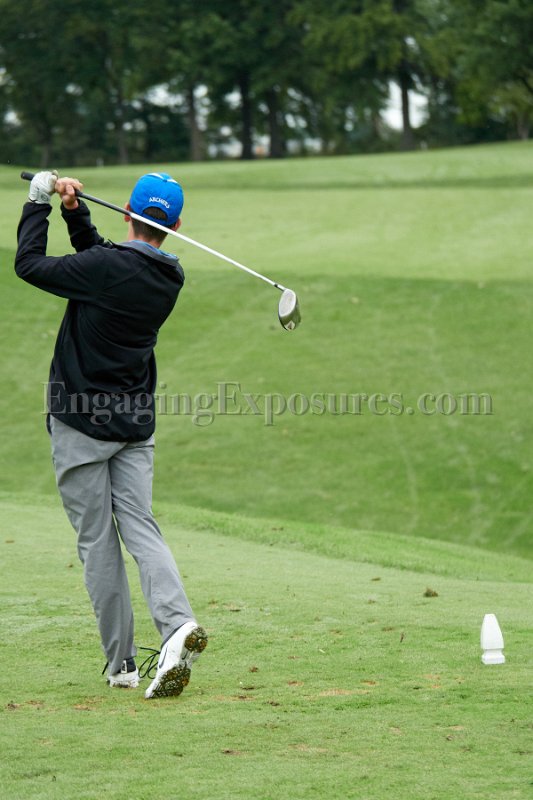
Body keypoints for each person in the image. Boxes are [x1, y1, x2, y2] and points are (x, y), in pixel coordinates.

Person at [15, 170, 207, 699]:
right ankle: (178, 625)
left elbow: (29, 264)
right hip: (134, 425)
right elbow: (105, 262)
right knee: (141, 526)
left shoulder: (104, 268)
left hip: (80, 424)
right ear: (175, 227)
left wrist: (38, 202)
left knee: (98, 542)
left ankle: (122, 663)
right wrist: (75, 213)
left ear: (126, 211)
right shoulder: (170, 275)